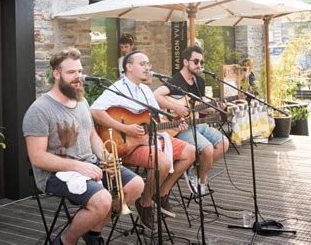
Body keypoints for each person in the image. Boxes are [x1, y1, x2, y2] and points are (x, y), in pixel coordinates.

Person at [23, 48, 144, 245]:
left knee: (136, 185)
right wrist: (79, 166)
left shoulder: (81, 101)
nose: (77, 77)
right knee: (103, 199)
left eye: (79, 71)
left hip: (90, 163)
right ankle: (65, 240)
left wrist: (105, 157)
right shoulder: (39, 110)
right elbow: (37, 157)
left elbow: (91, 134)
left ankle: (93, 231)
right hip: (55, 174)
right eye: (71, 72)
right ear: (56, 74)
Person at [91, 50, 195, 231]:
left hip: (149, 138)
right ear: (128, 67)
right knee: (162, 161)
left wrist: (175, 125)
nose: (147, 68)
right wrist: (125, 128)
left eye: (148, 64)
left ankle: (161, 192)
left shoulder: (146, 90)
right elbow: (95, 111)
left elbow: (155, 120)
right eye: (142, 64)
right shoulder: (117, 88)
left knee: (190, 151)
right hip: (126, 144)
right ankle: (145, 202)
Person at [153, 46, 229, 196]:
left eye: (201, 62)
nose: (199, 65)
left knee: (223, 143)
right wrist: (177, 108)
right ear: (186, 62)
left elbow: (200, 108)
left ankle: (195, 171)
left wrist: (216, 107)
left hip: (196, 123)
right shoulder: (176, 80)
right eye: (196, 61)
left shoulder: (199, 81)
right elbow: (155, 95)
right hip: (179, 127)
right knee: (207, 149)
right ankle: (201, 180)